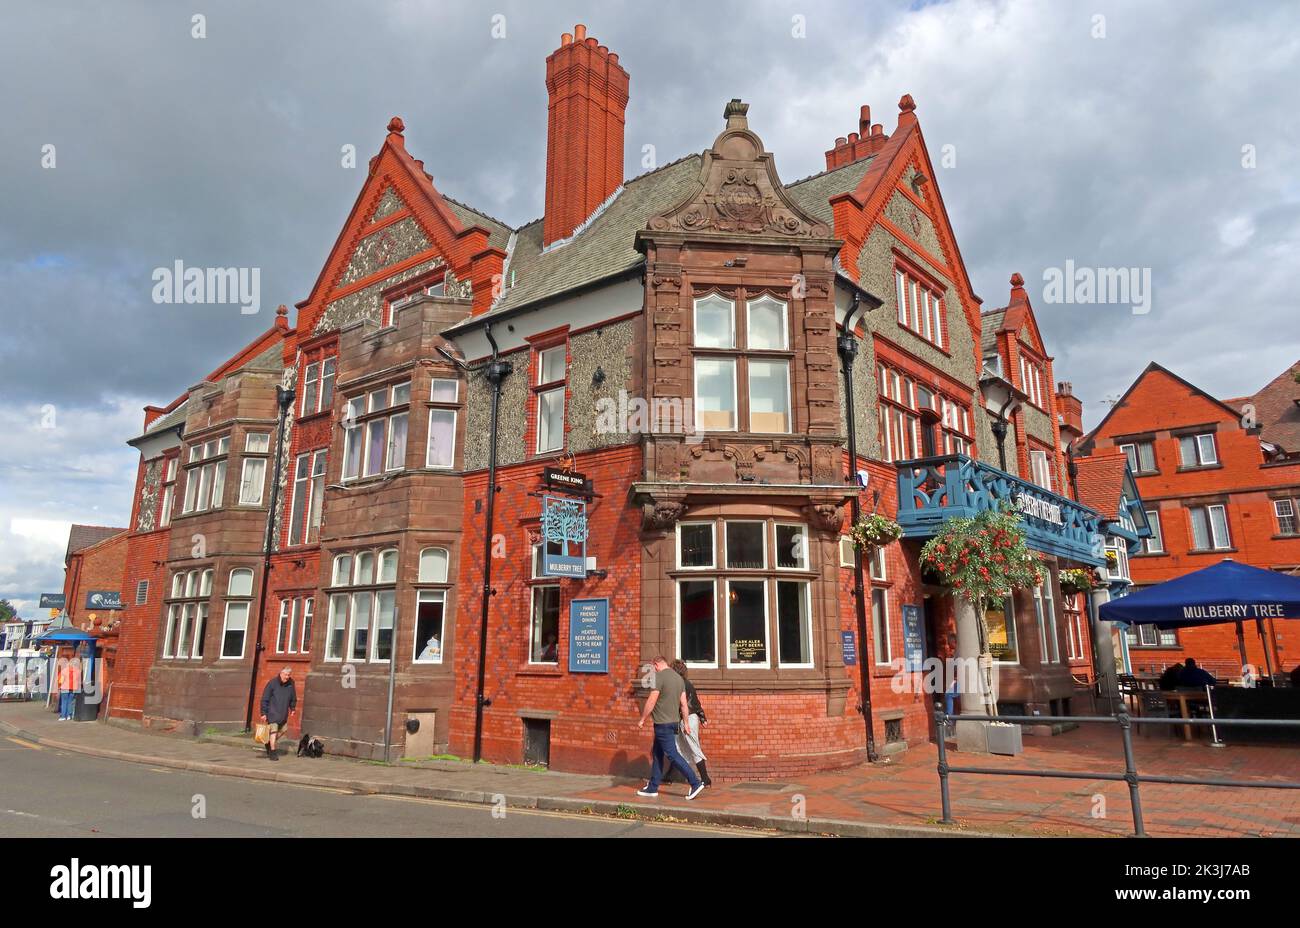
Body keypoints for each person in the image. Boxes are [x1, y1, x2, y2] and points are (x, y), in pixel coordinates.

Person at [636, 656, 704, 800]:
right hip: (673, 723)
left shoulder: (659, 677)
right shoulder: (679, 679)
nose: (653, 670)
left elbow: (651, 700)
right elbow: (684, 704)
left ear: (656, 665)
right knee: (657, 754)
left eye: (653, 667)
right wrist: (685, 723)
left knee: (672, 755)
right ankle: (653, 787)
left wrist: (642, 719)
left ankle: (695, 782)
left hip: (663, 724)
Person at [660, 660, 710, 787]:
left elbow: (684, 704)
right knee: (679, 748)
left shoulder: (678, 684)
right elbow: (696, 702)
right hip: (687, 718)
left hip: (687, 719)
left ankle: (705, 778)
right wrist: (702, 717)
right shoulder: (686, 683)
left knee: (692, 747)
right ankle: (669, 776)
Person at [259, 667, 297, 761]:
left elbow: (293, 697)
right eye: (286, 675)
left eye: (289, 675)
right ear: (281, 673)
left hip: (283, 713)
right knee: (273, 731)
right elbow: (265, 698)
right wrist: (263, 713)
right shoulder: (272, 683)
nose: (287, 677)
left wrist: (292, 708)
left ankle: (268, 743)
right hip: (272, 713)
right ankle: (272, 752)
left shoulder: (291, 684)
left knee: (284, 730)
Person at [56, 655, 81, 721]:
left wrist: (59, 687)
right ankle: (69, 716)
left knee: (64, 702)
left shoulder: (64, 671)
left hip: (65, 688)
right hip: (73, 688)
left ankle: (63, 716)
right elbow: (79, 681)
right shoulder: (78, 671)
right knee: (70, 702)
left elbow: (60, 680)